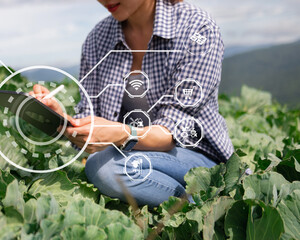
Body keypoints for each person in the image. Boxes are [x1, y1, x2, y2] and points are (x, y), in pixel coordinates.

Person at [30, 0, 234, 206]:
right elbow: (92, 120)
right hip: (131, 155)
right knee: (106, 163)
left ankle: (204, 204)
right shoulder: (97, 39)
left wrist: (121, 134)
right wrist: (63, 119)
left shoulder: (197, 27)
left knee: (106, 167)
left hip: (197, 156)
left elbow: (172, 132)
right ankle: (192, 203)